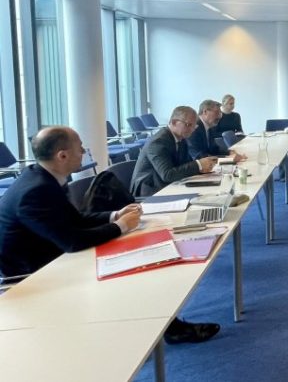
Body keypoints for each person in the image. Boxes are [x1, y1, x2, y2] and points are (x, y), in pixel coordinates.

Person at [0, 127, 219, 344]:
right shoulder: (35, 191)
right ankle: (169, 330)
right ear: (62, 156)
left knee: (139, 256)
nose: (84, 152)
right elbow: (72, 241)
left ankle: (170, 328)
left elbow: (75, 220)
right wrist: (120, 226)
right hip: (35, 275)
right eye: (80, 148)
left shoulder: (43, 176)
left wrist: (115, 215)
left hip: (55, 253)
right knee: (133, 267)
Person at [131, 106, 219, 197]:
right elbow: (167, 174)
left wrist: (203, 168)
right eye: (188, 125)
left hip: (169, 184)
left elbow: (186, 164)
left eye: (194, 126)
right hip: (150, 190)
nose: (192, 130)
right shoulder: (157, 142)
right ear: (174, 122)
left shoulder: (181, 138)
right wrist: (199, 165)